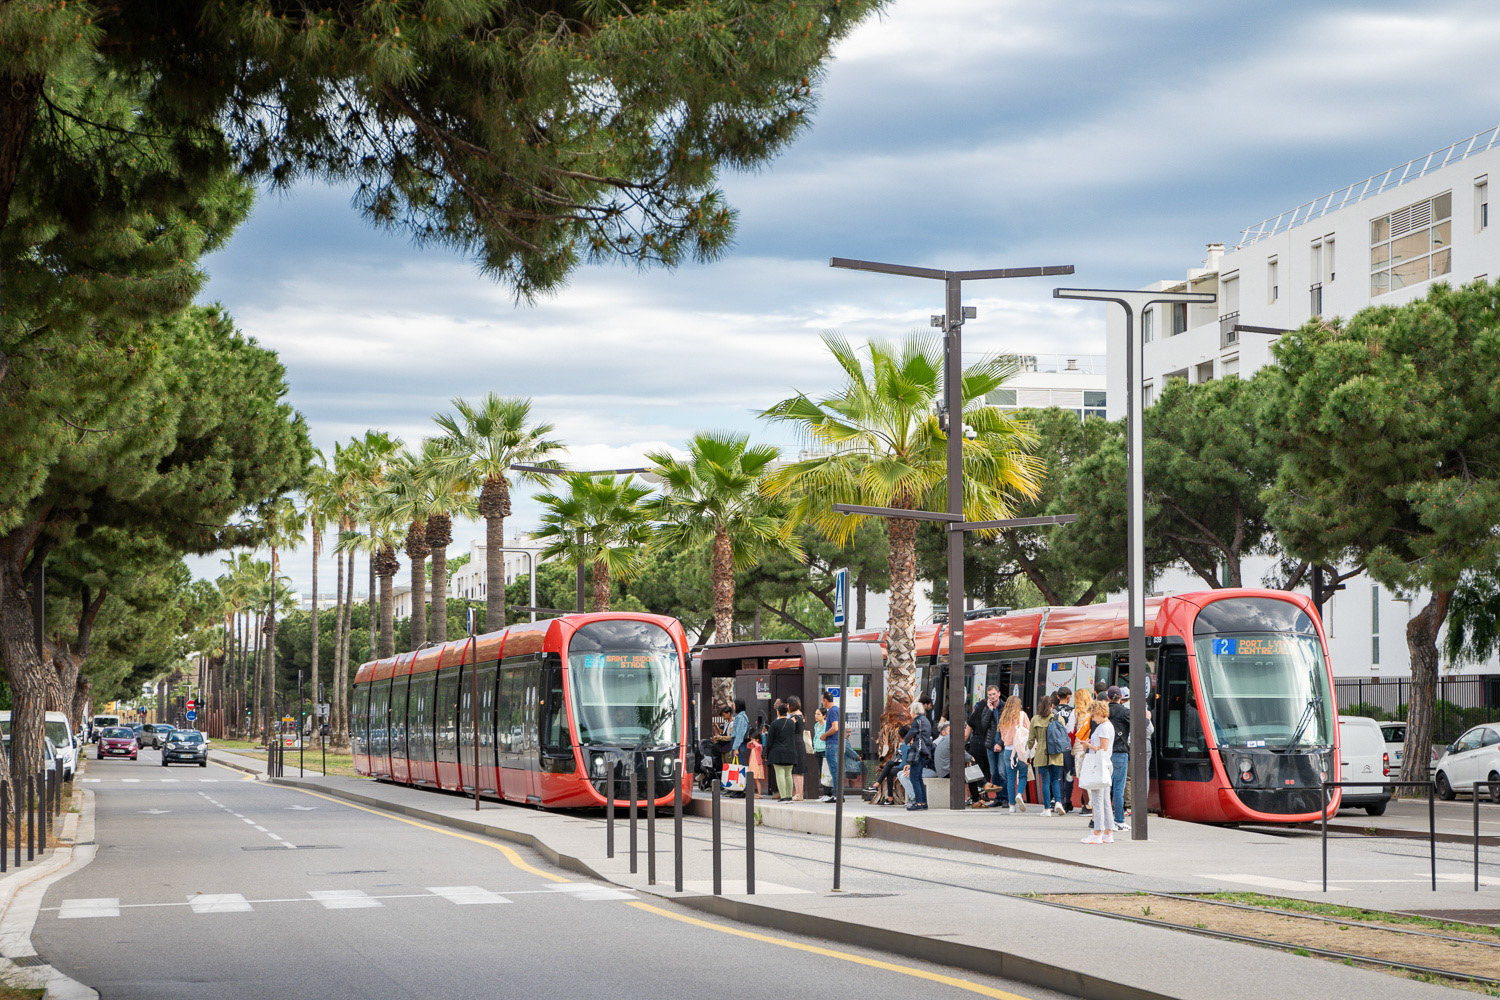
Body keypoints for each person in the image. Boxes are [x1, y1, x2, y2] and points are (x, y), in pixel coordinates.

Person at [1082, 700, 1117, 844]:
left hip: (1099, 766)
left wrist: (1088, 745)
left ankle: (1097, 833)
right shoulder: (1109, 726)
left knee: (1097, 800)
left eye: (1093, 715)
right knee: (1105, 801)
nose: (1093, 718)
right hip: (1106, 765)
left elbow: (1102, 748)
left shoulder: (1103, 727)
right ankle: (1108, 832)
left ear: (1099, 713)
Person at [1028, 695, 1065, 815]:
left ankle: (1047, 809)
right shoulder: (1059, 718)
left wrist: (1028, 752)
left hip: (1041, 752)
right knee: (1055, 779)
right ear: (1052, 706)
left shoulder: (1035, 719)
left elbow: (1031, 740)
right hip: (1056, 751)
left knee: (1045, 781)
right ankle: (1058, 802)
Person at [997, 695, 1029, 813]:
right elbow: (1029, 731)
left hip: (1008, 751)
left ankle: (1011, 805)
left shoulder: (1004, 717)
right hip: (1020, 750)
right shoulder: (1022, 715)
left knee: (1010, 778)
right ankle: (1019, 793)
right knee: (1022, 776)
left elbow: (1002, 736)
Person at [1106, 685, 1130, 832]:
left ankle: (1104, 819)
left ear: (1108, 698)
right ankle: (1119, 820)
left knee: (1105, 789)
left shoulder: (1102, 712)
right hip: (1120, 752)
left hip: (1105, 754)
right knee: (1118, 789)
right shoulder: (1125, 712)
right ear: (1120, 697)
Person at [766, 702, 800, 802]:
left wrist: (766, 753)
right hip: (790, 752)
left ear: (778, 712)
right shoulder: (791, 723)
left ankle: (783, 796)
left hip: (777, 752)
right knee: (788, 774)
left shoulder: (774, 724)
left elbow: (769, 740)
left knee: (780, 773)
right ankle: (789, 796)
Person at [903, 699, 933, 810]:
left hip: (918, 751)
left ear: (914, 711)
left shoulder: (917, 721)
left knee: (914, 777)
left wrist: (905, 741)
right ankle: (924, 803)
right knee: (919, 777)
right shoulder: (925, 720)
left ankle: (919, 803)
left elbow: (911, 734)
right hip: (924, 751)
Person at [1070, 687, 1095, 820]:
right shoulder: (1092, 712)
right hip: (1091, 748)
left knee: (1082, 777)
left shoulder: (1076, 712)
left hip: (1079, 748)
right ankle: (1094, 804)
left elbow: (1069, 729)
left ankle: (1089, 805)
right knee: (1092, 775)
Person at [980, 685, 1005, 805]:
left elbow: (1008, 727)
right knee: (994, 772)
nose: (992, 697)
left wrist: (1000, 743)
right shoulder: (986, 709)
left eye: (994, 694)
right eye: (989, 695)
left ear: (999, 694)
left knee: (1002, 771)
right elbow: (983, 726)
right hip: (990, 744)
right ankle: (998, 798)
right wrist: (989, 710)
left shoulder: (1005, 707)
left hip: (1002, 745)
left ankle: (1005, 798)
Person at [1053, 687, 1076, 813]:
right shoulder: (1073, 711)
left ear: (1057, 697)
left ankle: (1059, 800)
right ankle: (1068, 801)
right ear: (1068, 697)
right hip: (1068, 746)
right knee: (1069, 774)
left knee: (1057, 775)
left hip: (1056, 746)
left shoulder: (1053, 711)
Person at [873, 725, 909, 805]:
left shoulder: (905, 745)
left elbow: (904, 762)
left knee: (889, 771)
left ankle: (881, 787)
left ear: (899, 735)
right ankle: (888, 797)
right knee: (889, 764)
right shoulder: (904, 744)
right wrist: (898, 750)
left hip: (905, 767)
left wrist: (895, 766)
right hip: (904, 765)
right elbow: (899, 758)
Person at [819, 691, 842, 803]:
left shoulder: (832, 711)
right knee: (835, 770)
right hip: (835, 743)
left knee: (834, 770)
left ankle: (838, 796)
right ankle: (838, 794)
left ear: (825, 701)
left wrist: (824, 735)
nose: (821, 702)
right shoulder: (835, 710)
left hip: (832, 743)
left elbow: (835, 728)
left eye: (822, 699)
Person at [786, 696, 806, 800]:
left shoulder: (794, 718)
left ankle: (798, 793)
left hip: (795, 744)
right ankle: (799, 793)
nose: (787, 706)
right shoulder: (801, 716)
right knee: (799, 770)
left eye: (788, 704)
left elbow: (787, 729)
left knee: (796, 770)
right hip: (799, 743)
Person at [811, 706, 832, 799]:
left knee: (826, 772)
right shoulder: (816, 725)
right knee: (821, 772)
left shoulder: (827, 725)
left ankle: (828, 793)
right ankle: (824, 793)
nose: (816, 715)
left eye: (818, 714)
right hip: (817, 750)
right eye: (815, 713)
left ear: (824, 716)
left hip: (824, 750)